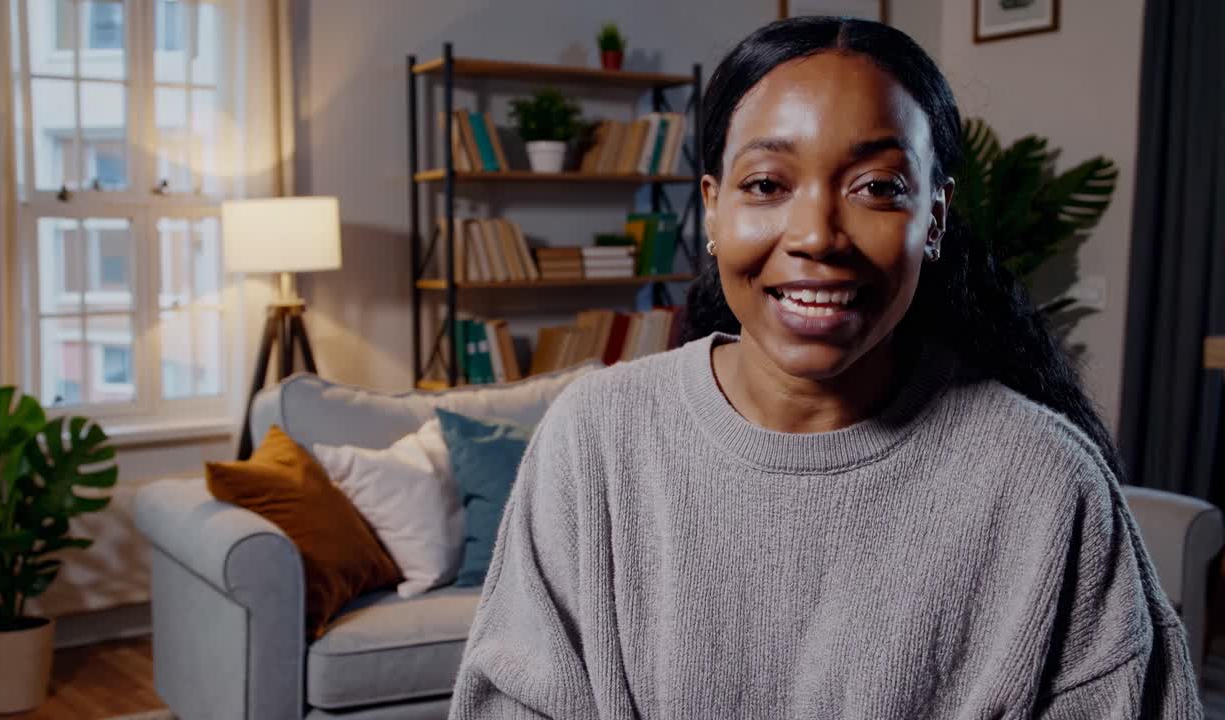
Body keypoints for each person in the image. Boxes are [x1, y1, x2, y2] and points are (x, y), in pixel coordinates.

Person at [449, 16, 1202, 719]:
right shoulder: (595, 438)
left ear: (932, 219)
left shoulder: (1044, 480)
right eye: (767, 185)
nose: (817, 235)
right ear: (712, 210)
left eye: (876, 187)